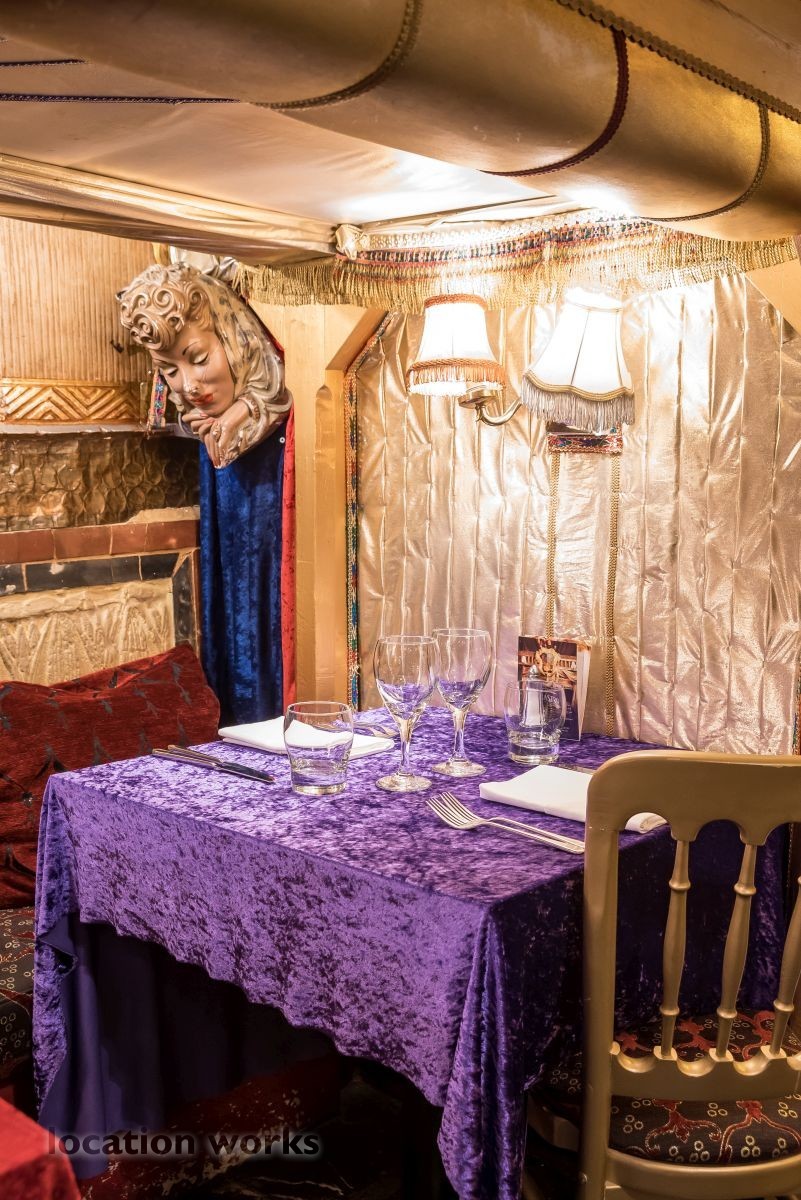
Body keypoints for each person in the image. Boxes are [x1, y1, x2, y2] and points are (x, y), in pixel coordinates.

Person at [118, 263, 292, 722]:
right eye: (169, 370)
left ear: (235, 337)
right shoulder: (209, 440)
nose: (189, 386)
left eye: (197, 358)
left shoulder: (281, 439)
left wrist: (239, 414)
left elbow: (272, 397)